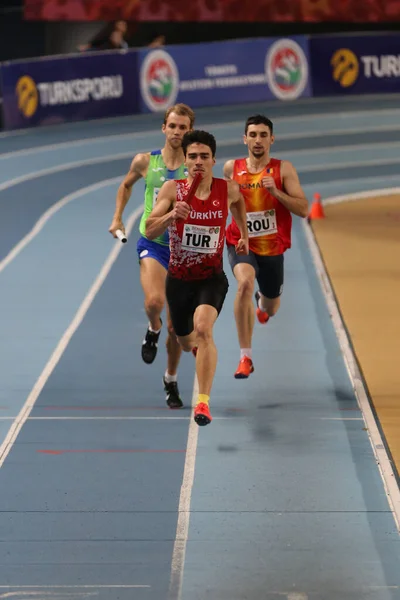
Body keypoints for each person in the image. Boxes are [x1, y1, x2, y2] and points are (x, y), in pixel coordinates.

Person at [145, 130, 249, 426]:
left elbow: (239, 202)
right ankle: (193, 349)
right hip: (179, 281)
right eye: (193, 157)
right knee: (185, 337)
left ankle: (202, 403)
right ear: (185, 161)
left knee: (204, 331)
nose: (199, 162)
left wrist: (244, 233)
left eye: (205, 156)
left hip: (211, 279)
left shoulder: (226, 189)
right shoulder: (171, 190)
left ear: (214, 160)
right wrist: (169, 217)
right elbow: (149, 231)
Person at [109, 103, 195, 409]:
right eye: (172, 126)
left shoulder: (196, 166)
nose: (177, 132)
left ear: (190, 131)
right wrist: (118, 217)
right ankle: (152, 328)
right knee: (154, 303)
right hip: (154, 243)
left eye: (183, 128)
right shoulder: (145, 161)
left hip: (185, 251)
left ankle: (170, 379)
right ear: (164, 128)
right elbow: (125, 185)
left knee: (178, 327)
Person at [224, 114, 308, 379]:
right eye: (252, 134)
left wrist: (277, 193)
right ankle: (245, 357)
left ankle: (262, 304)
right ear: (244, 138)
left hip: (272, 249)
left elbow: (304, 209)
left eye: (263, 135)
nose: (257, 140)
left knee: (271, 307)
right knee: (245, 284)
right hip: (241, 242)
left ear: (272, 138)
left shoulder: (283, 169)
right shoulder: (231, 168)